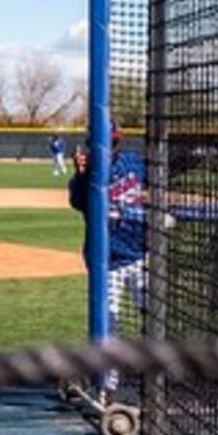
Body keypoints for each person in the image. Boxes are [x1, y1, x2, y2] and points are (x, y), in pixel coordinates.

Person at [67, 137, 148, 335]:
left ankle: (160, 363)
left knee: (156, 316)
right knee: (108, 326)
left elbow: (160, 174)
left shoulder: (133, 162)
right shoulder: (89, 175)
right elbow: (78, 202)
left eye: (112, 144)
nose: (106, 150)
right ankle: (111, 367)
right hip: (107, 262)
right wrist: (81, 175)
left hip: (141, 255)